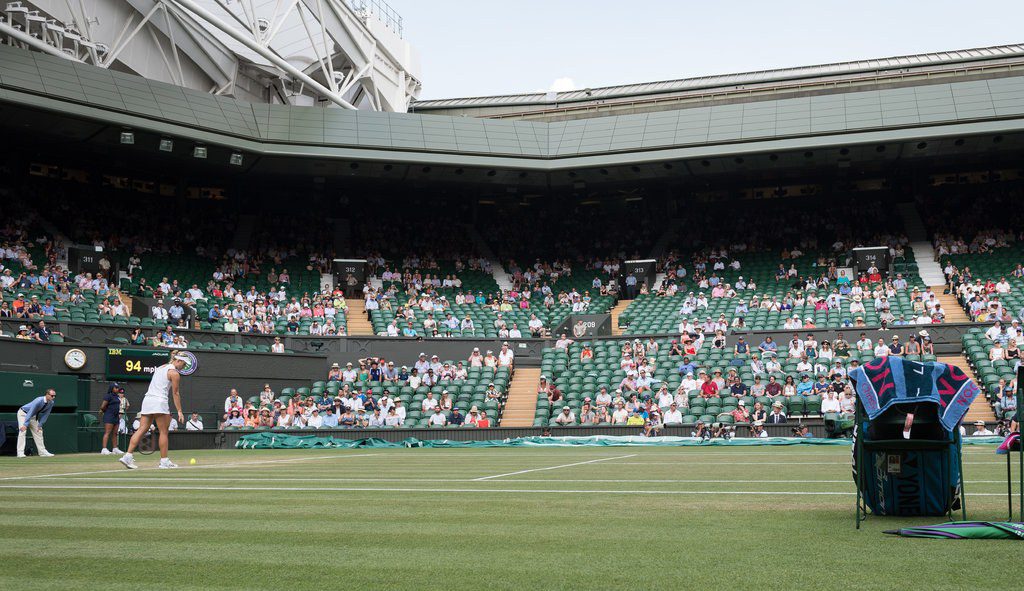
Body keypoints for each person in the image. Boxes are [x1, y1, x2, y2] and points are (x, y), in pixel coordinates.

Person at [119, 352, 188, 469]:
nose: (184, 367)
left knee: (142, 429)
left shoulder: (161, 367)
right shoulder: (174, 373)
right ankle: (164, 461)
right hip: (159, 402)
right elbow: (176, 393)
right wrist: (180, 411)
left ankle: (127, 456)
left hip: (147, 400)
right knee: (163, 432)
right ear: (178, 361)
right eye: (184, 364)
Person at [17, 388, 57, 458]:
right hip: (23, 414)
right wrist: (25, 424)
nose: (53, 397)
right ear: (47, 394)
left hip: (33, 416)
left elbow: (46, 414)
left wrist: (40, 425)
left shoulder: (51, 403)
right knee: (22, 431)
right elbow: (31, 411)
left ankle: (42, 452)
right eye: (52, 395)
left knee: (39, 432)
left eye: (54, 396)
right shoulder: (38, 400)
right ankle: (20, 452)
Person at [99, 383, 125, 455]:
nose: (117, 389)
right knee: (107, 432)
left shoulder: (117, 396)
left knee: (115, 433)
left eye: (117, 388)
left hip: (116, 416)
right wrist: (106, 412)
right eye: (115, 388)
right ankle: (104, 449)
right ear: (111, 388)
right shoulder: (108, 396)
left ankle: (115, 448)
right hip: (109, 416)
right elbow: (102, 406)